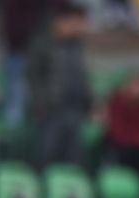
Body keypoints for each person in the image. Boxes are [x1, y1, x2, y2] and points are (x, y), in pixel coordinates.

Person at [25, 0, 92, 169]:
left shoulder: (77, 46)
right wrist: (41, 102)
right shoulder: (43, 43)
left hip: (75, 108)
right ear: (62, 21)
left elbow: (81, 78)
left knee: (74, 155)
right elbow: (33, 76)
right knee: (47, 152)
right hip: (52, 108)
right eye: (76, 22)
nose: (80, 27)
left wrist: (89, 103)